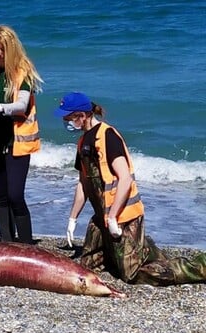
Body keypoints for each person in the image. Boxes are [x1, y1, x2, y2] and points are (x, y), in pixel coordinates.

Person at [53, 92, 206, 286]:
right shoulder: (83, 143)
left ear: (81, 116)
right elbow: (83, 183)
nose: (65, 122)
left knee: (132, 275)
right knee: (88, 266)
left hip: (123, 216)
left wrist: (113, 216)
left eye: (67, 118)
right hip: (103, 218)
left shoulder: (107, 136)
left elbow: (124, 178)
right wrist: (72, 218)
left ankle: (199, 266)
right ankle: (140, 249)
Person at [0, 24, 43, 244]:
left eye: (2, 49)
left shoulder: (24, 71)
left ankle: (26, 244)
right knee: (0, 195)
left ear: (11, 48)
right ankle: (6, 243)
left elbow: (21, 105)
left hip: (16, 139)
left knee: (15, 195)